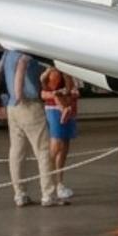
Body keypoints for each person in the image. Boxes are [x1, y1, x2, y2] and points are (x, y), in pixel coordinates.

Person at [0, 48, 53, 207]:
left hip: (12, 107)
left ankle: (20, 194)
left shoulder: (8, 52)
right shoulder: (27, 52)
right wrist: (18, 94)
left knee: (16, 152)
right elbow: (22, 66)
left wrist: (8, 95)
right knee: (43, 151)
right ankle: (48, 194)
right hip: (28, 105)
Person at [40, 65, 79, 204]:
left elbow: (72, 88)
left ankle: (59, 183)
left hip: (68, 106)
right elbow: (44, 91)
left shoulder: (67, 70)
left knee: (64, 146)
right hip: (54, 108)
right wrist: (58, 94)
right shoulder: (52, 71)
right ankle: (48, 185)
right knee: (56, 145)